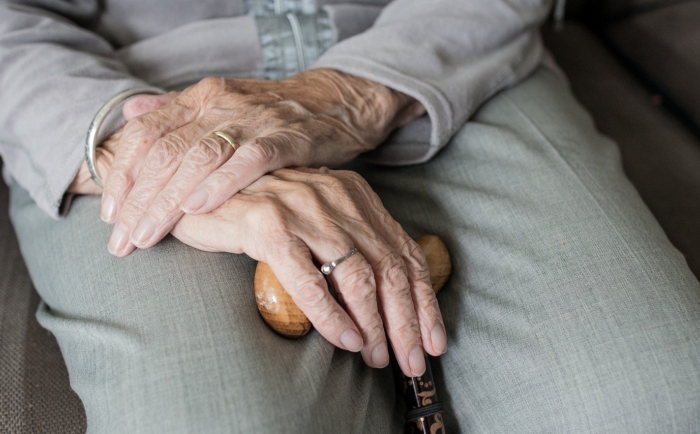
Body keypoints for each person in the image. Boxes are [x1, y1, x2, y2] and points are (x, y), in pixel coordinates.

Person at [1, 0, 699, 432]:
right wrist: (158, 160)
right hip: (129, 96)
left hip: (445, 53)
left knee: (658, 399)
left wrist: (348, 95)